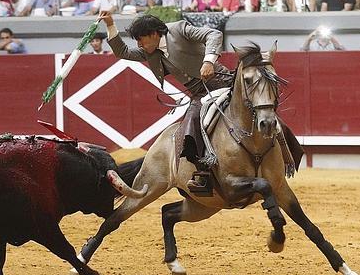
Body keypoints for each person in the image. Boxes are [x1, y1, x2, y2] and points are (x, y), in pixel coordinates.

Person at [99, 12, 301, 189]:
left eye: (141, 39)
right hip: (199, 94)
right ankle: (204, 172)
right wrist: (110, 25)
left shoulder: (178, 29)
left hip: (222, 81)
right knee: (190, 124)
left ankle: (289, 154)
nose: (139, 45)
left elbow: (213, 34)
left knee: (264, 111)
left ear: (153, 34)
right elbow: (123, 52)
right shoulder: (149, 52)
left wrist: (208, 61)